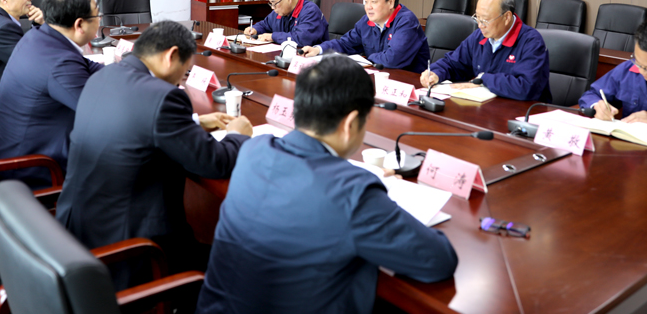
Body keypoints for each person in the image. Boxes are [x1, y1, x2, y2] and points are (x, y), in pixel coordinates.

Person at [196, 56, 458, 314]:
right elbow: (438, 260)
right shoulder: (353, 193)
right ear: (350, 124)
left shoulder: (253, 149)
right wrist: (374, 196)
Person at [55, 21, 253, 288]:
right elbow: (214, 162)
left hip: (80, 231)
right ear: (171, 55)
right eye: (184, 70)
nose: (181, 80)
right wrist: (238, 135)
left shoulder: (104, 75)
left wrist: (194, 122)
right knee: (238, 267)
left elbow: (137, 123)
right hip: (135, 250)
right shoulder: (164, 97)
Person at [0, 0, 105, 187]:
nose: (100, 20)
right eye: (97, 16)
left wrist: (135, 69)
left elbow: (87, 66)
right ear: (79, 24)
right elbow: (101, 113)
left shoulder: (39, 36)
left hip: (10, 156)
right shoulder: (61, 63)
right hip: (32, 173)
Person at [421, 0, 551, 101]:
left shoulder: (531, 42)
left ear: (507, 17)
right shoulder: (479, 36)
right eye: (477, 18)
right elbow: (453, 63)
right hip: (486, 108)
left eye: (485, 20)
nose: (480, 25)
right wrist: (435, 73)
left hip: (523, 114)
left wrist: (483, 79)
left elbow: (526, 87)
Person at [301, 0, 430, 72]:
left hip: (408, 85)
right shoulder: (366, 21)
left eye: (373, 2)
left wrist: (367, 58)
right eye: (366, 1)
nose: (368, 7)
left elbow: (393, 59)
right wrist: (318, 49)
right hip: (378, 77)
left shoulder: (406, 22)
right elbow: (345, 44)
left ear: (391, 3)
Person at [243, 0, 328, 46]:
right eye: (271, 4)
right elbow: (265, 25)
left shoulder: (310, 11)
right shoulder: (279, 11)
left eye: (274, 3)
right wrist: (254, 29)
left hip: (311, 58)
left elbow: (302, 39)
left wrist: (272, 37)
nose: (272, 7)